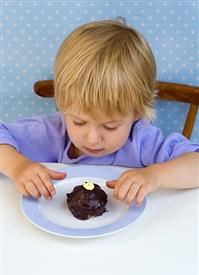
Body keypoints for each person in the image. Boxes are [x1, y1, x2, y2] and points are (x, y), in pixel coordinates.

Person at [0, 19, 199, 207]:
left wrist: (154, 176)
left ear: (136, 112)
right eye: (78, 122)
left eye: (110, 126)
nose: (93, 139)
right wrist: (18, 167)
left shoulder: (143, 142)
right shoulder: (49, 132)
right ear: (62, 105)